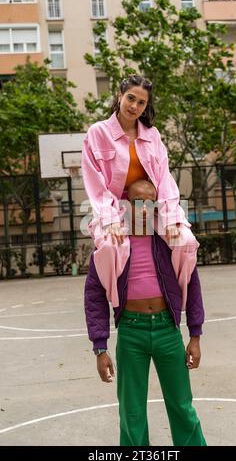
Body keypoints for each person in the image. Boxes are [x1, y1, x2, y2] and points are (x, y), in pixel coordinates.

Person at [84, 179, 207, 446]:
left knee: (182, 405)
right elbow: (94, 296)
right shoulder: (111, 244)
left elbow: (192, 282)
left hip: (167, 330)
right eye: (137, 201)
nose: (143, 208)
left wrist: (195, 335)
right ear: (125, 204)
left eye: (150, 203)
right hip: (131, 331)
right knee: (132, 411)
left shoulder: (170, 241)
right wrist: (100, 347)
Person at [82, 74, 199, 310]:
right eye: (130, 98)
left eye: (141, 102)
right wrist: (110, 220)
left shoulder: (152, 135)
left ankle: (176, 296)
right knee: (109, 247)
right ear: (120, 96)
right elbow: (95, 182)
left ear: (146, 106)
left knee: (185, 241)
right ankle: (115, 300)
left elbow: (164, 180)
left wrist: (171, 219)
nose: (134, 106)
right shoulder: (98, 132)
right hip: (115, 207)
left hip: (149, 205)